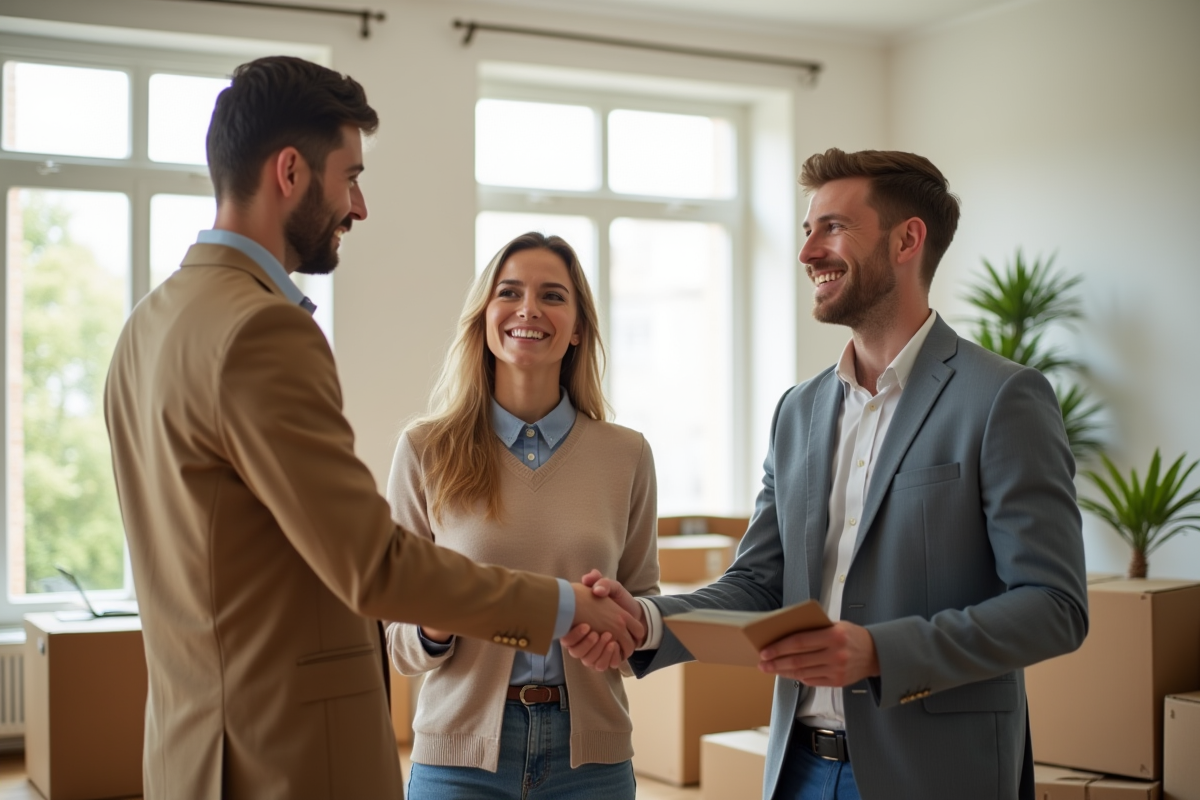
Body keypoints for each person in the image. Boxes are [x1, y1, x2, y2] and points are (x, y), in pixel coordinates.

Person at [103, 57, 639, 800]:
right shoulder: (264, 330)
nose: (359, 206)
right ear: (289, 172)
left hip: (196, 747)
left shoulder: (149, 324)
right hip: (285, 753)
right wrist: (564, 604)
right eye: (348, 177)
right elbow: (372, 565)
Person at [566, 148, 1089, 800]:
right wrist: (645, 621)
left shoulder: (1002, 398)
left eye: (832, 227)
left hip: (939, 775)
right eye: (807, 230)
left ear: (907, 239)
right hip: (800, 770)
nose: (807, 251)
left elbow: (1054, 607)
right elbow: (758, 583)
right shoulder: (798, 410)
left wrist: (880, 652)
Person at [385, 232, 659, 800]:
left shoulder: (626, 454)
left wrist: (624, 633)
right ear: (485, 316)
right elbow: (394, 643)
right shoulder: (424, 450)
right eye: (509, 292)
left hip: (590, 761)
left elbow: (644, 620)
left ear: (579, 327)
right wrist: (441, 615)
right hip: (459, 758)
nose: (529, 309)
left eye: (553, 296)